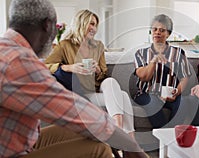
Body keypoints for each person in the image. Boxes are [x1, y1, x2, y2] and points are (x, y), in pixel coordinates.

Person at [0, 0, 147, 157]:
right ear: (47, 25)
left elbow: (103, 74)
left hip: (21, 140)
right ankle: (125, 137)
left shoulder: (8, 49)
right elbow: (70, 108)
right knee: (100, 148)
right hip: (12, 152)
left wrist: (97, 71)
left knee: (99, 134)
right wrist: (128, 145)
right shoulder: (19, 61)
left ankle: (123, 135)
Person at [44, 9, 136, 139]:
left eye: (95, 25)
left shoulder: (98, 46)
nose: (94, 28)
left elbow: (104, 73)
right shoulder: (65, 45)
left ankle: (118, 130)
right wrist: (70, 67)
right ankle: (129, 141)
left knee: (110, 81)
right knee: (123, 96)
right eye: (91, 24)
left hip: (96, 88)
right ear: (81, 23)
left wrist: (98, 70)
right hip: (81, 93)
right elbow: (45, 66)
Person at [133, 14, 191, 128]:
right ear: (151, 32)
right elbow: (144, 77)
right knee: (152, 103)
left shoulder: (179, 53)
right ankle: (166, 138)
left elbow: (185, 77)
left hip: (170, 95)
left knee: (183, 102)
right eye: (154, 29)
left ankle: (172, 136)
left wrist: (176, 92)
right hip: (147, 94)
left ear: (168, 34)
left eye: (162, 30)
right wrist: (153, 61)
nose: (157, 32)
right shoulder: (141, 53)